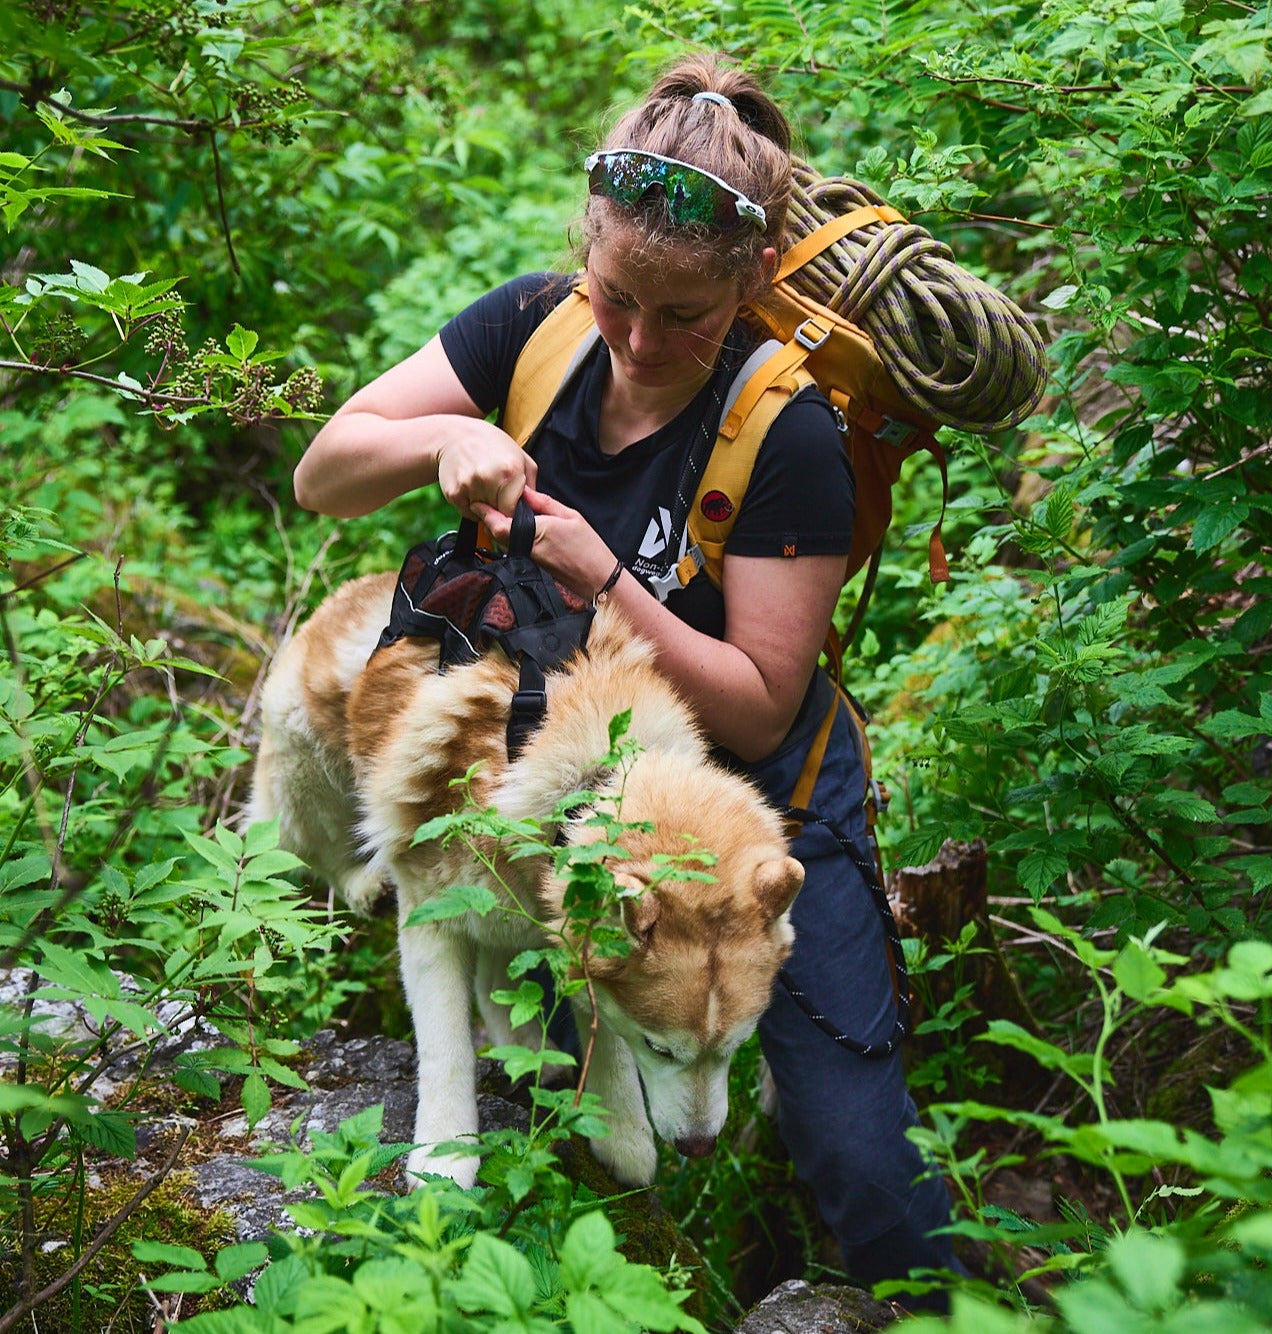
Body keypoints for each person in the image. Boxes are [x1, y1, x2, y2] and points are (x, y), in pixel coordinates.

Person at [294, 51, 960, 1304]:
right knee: (577, 1102)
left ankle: (920, 1298)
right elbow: (323, 473)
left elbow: (760, 701)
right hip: (552, 785)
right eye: (616, 299)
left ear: (749, 284)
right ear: (584, 255)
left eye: (687, 318)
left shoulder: (787, 432)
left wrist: (608, 577)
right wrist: (444, 433)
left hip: (747, 805)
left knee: (861, 1156)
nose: (642, 342)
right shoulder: (531, 328)